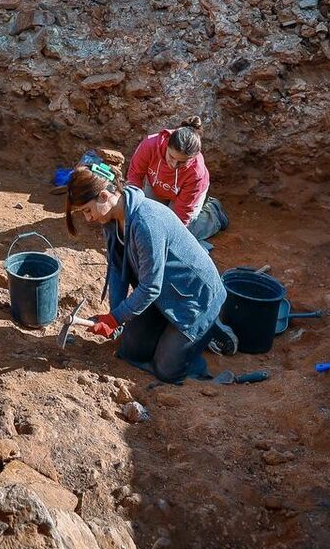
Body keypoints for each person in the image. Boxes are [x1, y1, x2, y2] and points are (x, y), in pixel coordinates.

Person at [65, 163, 232, 384]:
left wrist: (115, 319)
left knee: (167, 372)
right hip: (164, 291)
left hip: (195, 299)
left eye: (87, 210)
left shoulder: (146, 222)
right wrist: (115, 317)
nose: (87, 218)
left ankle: (210, 327)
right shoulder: (111, 220)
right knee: (131, 351)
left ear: (104, 196)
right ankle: (169, 327)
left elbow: (150, 287)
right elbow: (117, 268)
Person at [125, 117, 229, 247]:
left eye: (182, 162)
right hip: (158, 185)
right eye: (172, 157)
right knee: (143, 218)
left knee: (176, 236)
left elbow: (181, 216)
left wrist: (164, 238)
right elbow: (134, 177)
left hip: (184, 196)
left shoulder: (197, 173)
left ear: (193, 157)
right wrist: (129, 212)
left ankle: (213, 216)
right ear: (167, 143)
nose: (174, 165)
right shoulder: (150, 145)